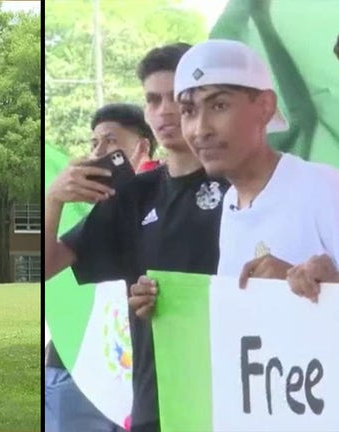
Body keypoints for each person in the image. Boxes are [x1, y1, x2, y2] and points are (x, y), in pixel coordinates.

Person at [47, 42, 229, 432]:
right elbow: (46, 266)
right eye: (152, 99)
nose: (164, 110)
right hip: (157, 401)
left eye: (176, 97)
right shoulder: (133, 194)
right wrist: (54, 200)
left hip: (236, 394)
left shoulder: (241, 183)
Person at [171, 39, 339, 295]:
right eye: (188, 111)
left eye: (219, 106)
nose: (200, 130)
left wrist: (328, 286)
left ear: (265, 107)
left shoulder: (324, 188)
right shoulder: (230, 202)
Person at [44, 102, 158, 432]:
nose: (99, 151)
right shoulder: (106, 210)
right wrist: (54, 200)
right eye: (94, 143)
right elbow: (49, 264)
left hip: (149, 379)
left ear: (142, 146)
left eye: (110, 141)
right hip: (82, 372)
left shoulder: (172, 195)